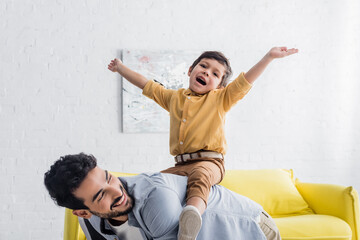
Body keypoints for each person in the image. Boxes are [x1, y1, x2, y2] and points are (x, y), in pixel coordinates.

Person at [108, 47, 297, 239]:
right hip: (180, 166)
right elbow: (146, 85)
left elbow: (246, 80)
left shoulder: (221, 99)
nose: (207, 72)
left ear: (220, 86)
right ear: (191, 70)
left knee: (200, 176)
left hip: (210, 162)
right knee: (150, 183)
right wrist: (121, 68)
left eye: (215, 74)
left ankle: (191, 217)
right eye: (203, 66)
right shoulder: (174, 98)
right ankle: (124, 229)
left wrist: (269, 57)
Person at [44, 153, 281, 240]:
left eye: (109, 178)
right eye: (100, 195)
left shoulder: (155, 199)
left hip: (251, 227)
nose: (117, 191)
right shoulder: (89, 221)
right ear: (83, 212)